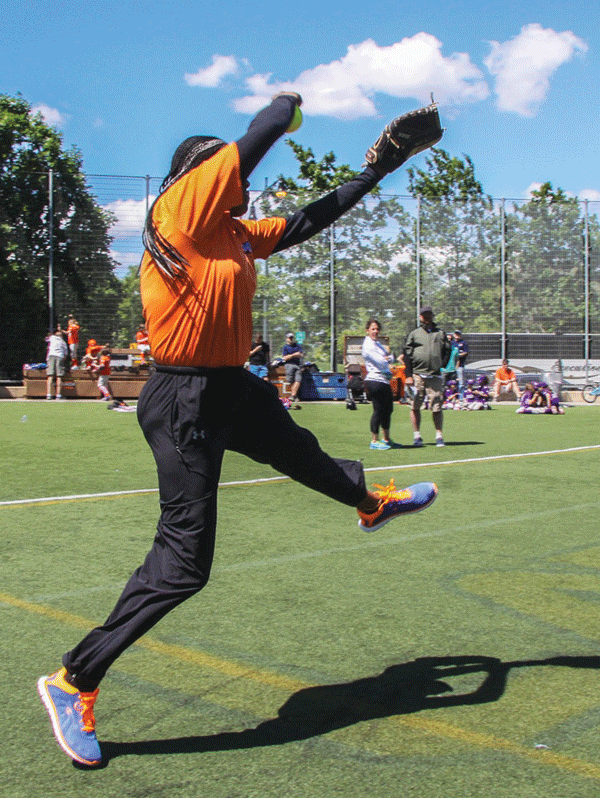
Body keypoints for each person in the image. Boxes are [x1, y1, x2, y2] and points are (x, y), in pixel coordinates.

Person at [37, 92, 441, 767]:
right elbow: (268, 127)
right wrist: (290, 104)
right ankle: (73, 678)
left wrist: (376, 172)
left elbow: (307, 220)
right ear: (199, 178)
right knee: (184, 565)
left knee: (297, 448)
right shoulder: (180, 210)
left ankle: (369, 503)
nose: (244, 185)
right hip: (183, 398)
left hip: (227, 384)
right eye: (229, 177)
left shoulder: (229, 232)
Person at [404, 306, 451, 447]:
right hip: (417, 374)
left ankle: (439, 435)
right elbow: (407, 355)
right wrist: (408, 375)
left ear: (432, 316)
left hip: (434, 376)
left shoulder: (440, 333)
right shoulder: (414, 334)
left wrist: (441, 364)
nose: (426, 317)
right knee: (415, 405)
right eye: (424, 315)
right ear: (420, 317)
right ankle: (417, 436)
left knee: (436, 406)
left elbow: (448, 350)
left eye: (429, 315)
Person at [362, 318, 395, 449]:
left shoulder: (378, 344)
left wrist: (388, 358)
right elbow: (382, 361)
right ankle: (374, 441)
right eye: (372, 329)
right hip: (374, 380)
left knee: (388, 410)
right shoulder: (368, 345)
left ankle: (386, 439)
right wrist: (387, 359)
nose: (375, 331)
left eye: (377, 329)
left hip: (384, 380)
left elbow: (389, 357)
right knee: (378, 410)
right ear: (368, 330)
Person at [45, 326, 69, 400]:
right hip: (60, 356)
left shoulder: (52, 338)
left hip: (51, 356)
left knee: (50, 376)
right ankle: (58, 395)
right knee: (59, 376)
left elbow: (46, 339)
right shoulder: (63, 342)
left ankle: (49, 394)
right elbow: (65, 354)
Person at [282, 332, 304, 408]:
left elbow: (301, 355)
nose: (291, 339)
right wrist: (294, 355)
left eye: (292, 337)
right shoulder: (285, 347)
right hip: (289, 365)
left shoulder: (297, 346)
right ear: (286, 339)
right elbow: (284, 358)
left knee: (298, 380)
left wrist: (291, 356)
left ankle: (293, 395)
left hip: (297, 365)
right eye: (289, 337)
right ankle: (294, 396)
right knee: (290, 381)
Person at [453, 330, 469, 398]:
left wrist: (458, 355)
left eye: (458, 334)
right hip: (451, 366)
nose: (457, 336)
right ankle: (452, 397)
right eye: (456, 334)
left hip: (460, 366)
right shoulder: (452, 343)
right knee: (452, 382)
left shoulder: (463, 343)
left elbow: (466, 352)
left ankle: (461, 398)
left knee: (461, 383)